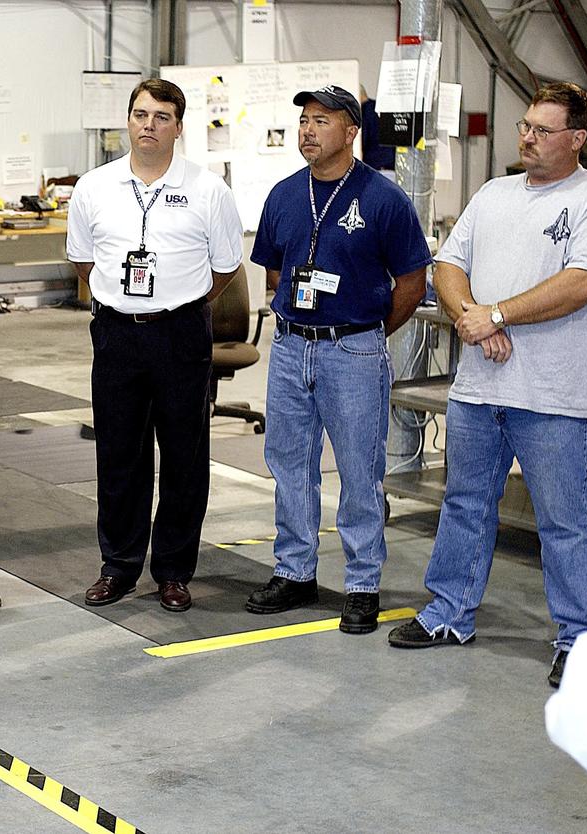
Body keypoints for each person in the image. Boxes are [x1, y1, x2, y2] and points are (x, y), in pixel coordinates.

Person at [388, 82, 587, 688]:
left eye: (541, 130)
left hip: (554, 395)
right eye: (525, 125)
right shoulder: (494, 193)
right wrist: (471, 317)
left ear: (577, 139)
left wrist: (497, 314)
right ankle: (449, 612)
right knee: (466, 505)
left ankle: (578, 641)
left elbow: (581, 281)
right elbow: (449, 265)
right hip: (480, 390)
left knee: (566, 522)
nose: (526, 137)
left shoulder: (586, 199)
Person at [245, 85, 432, 634]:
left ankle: (361, 584)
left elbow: (412, 281)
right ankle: (295, 571)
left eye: (321, 121)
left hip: (352, 350)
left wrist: (365, 332)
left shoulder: (382, 198)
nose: (307, 130)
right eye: (304, 120)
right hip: (289, 347)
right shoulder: (283, 194)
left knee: (358, 470)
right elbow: (276, 273)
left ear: (351, 132)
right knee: (289, 463)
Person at [66, 78, 245, 614]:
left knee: (185, 455)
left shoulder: (208, 189)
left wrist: (179, 302)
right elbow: (82, 260)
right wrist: (123, 300)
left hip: (181, 332)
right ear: (128, 120)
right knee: (118, 452)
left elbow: (225, 267)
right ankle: (119, 566)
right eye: (140, 114)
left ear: (178, 127)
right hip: (117, 332)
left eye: (161, 117)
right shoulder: (94, 187)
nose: (148, 125)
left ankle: (172, 569)